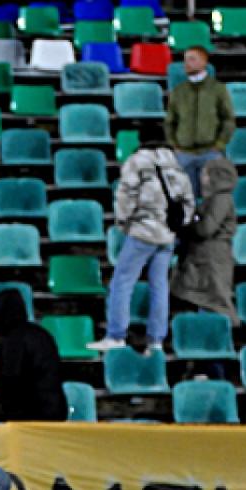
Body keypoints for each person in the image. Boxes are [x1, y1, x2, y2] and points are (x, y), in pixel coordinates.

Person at [88, 146, 194, 354]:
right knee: (160, 286)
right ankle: (155, 341)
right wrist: (177, 226)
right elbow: (187, 202)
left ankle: (116, 335)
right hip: (167, 235)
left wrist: (124, 223)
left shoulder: (137, 162)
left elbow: (125, 195)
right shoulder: (175, 165)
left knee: (122, 282)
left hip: (142, 233)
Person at [169, 158, 239, 324]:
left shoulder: (221, 199)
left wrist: (188, 225)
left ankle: (229, 334)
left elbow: (205, 228)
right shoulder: (214, 199)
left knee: (217, 300)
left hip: (211, 260)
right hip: (202, 259)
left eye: (205, 174)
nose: (202, 179)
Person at [164, 45, 234, 199]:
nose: (187, 63)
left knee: (213, 199)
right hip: (184, 153)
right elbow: (170, 121)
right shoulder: (178, 91)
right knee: (184, 199)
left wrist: (220, 144)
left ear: (204, 62)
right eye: (185, 60)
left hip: (210, 152)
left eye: (192, 59)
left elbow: (228, 119)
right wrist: (174, 144)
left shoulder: (218, 90)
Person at [0, 289, 66, 422]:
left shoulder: (14, 340)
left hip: (30, 414)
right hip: (56, 410)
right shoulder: (42, 334)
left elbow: (10, 380)